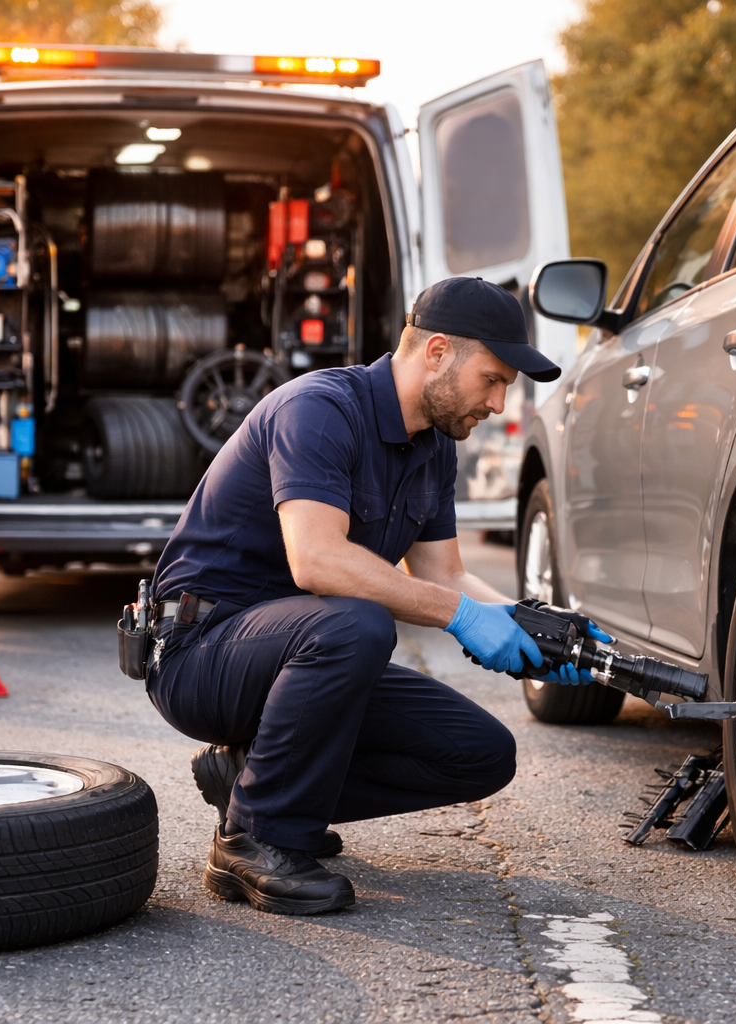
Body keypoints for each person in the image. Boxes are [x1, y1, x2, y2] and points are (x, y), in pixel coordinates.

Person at [144, 277, 601, 916]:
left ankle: (252, 782)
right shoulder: (319, 409)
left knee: (481, 753)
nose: (498, 404)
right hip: (200, 653)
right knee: (358, 624)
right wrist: (463, 618)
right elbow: (317, 559)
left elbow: (444, 574)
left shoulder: (436, 447)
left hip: (299, 656)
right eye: (492, 380)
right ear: (438, 353)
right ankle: (256, 838)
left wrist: (533, 624)